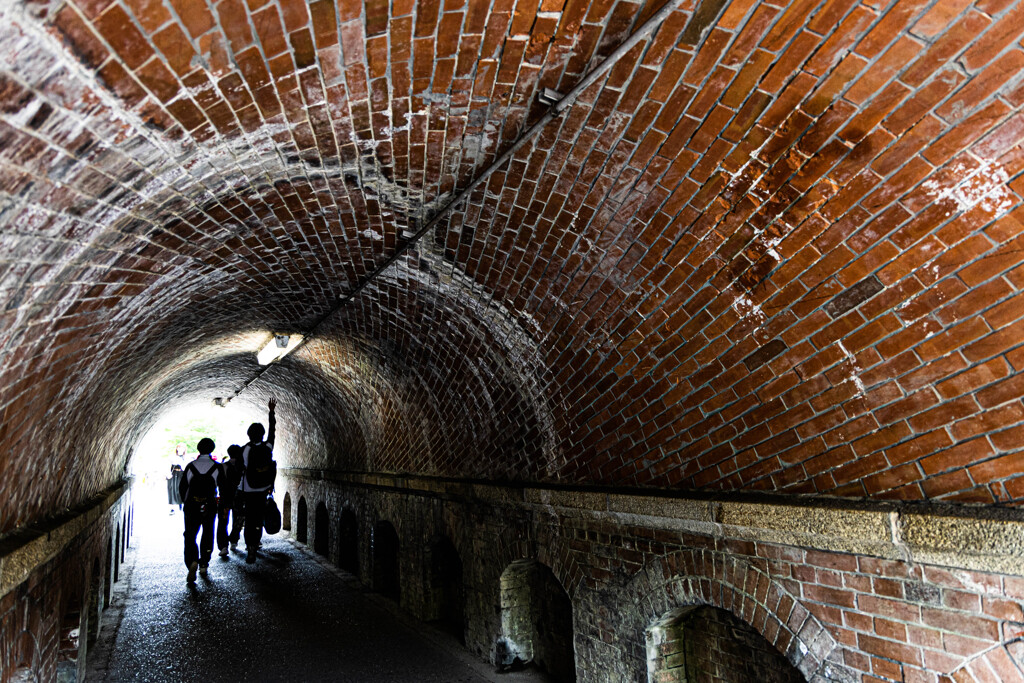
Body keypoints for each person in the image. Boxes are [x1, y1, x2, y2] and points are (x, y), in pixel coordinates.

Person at [179, 438, 225, 582]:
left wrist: (185, 502)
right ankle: (204, 563)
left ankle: (192, 560)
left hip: (192, 505)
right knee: (207, 532)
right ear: (212, 449)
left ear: (198, 449)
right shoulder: (217, 467)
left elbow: (182, 487)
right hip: (209, 505)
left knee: (190, 534)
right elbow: (222, 488)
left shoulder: (191, 466)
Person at [240, 398, 277, 563]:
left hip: (249, 489)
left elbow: (241, 470)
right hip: (264, 488)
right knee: (259, 519)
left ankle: (250, 547)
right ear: (262, 434)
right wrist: (271, 412)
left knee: (250, 518)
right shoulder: (268, 446)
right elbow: (273, 431)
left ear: (249, 434)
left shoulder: (245, 449)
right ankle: (256, 541)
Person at [217, 444, 243, 558]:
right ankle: (234, 541)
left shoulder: (222, 466)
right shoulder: (243, 467)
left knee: (223, 522)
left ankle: (223, 546)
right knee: (238, 519)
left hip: (224, 497)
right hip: (239, 497)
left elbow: (218, 482)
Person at [166, 444, 185, 515]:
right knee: (172, 491)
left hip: (182, 475)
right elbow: (168, 465)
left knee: (182, 490)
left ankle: (182, 506)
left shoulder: (186, 457)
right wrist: (168, 474)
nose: (180, 449)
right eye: (179, 447)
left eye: (182, 447)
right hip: (173, 475)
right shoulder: (172, 456)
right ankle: (172, 508)